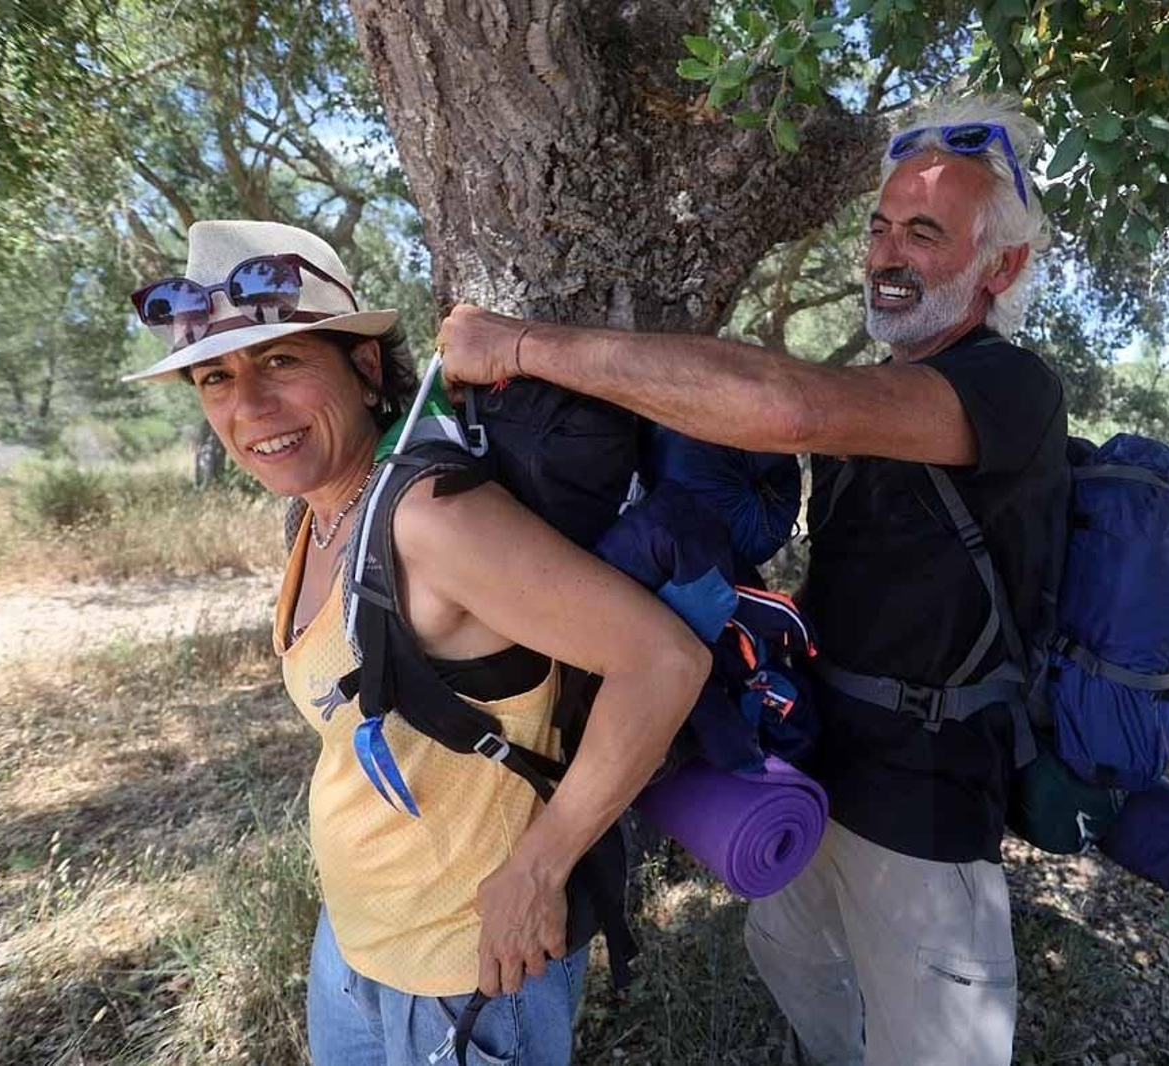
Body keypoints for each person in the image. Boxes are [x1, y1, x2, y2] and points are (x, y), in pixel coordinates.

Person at [435, 94, 1068, 1065]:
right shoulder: (885, 388)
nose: (887, 255)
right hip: (820, 768)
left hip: (928, 806)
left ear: (1002, 268)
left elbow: (783, 406)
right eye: (880, 227)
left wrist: (517, 346)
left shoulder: (1008, 387)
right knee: (796, 966)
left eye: (925, 233)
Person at [123, 220, 709, 1066]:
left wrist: (538, 872)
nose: (248, 407)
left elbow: (663, 661)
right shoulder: (318, 513)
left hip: (462, 970)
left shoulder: (428, 519)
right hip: (354, 942)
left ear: (364, 367)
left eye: (280, 361)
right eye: (216, 377)